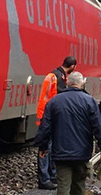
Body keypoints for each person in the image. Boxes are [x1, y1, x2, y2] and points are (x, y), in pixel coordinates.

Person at [35, 71, 101, 195]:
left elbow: (45, 127)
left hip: (61, 153)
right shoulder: (90, 101)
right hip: (82, 153)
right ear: (82, 83)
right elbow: (98, 127)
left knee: (63, 187)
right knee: (79, 186)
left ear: (67, 83)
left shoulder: (54, 102)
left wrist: (43, 147)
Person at [36, 56, 77, 189]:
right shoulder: (58, 78)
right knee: (46, 148)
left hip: (47, 114)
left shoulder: (54, 75)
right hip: (48, 116)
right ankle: (45, 179)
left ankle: (50, 176)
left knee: (50, 146)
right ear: (72, 66)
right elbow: (61, 97)